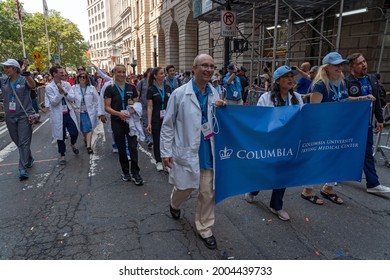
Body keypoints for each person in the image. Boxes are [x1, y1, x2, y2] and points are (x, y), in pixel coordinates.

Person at [160, 54, 225, 250]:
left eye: (212, 66)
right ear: (194, 68)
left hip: (207, 151)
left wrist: (223, 109)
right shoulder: (179, 94)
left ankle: (205, 228)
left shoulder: (216, 94)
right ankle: (174, 204)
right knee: (184, 188)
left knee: (207, 192)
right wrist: (165, 151)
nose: (209, 69)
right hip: (187, 150)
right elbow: (168, 125)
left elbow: (219, 124)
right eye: (204, 65)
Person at [245, 66, 303, 221]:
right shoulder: (266, 98)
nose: (291, 79)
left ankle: (276, 205)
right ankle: (253, 190)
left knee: (282, 174)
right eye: (286, 76)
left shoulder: (297, 98)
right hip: (270, 143)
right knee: (264, 170)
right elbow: (259, 120)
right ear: (277, 81)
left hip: (288, 143)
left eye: (292, 76)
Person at [301, 52, 359, 205]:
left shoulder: (341, 81)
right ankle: (307, 190)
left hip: (338, 129)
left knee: (336, 157)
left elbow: (344, 100)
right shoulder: (320, 85)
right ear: (326, 68)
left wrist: (360, 99)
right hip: (323, 130)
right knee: (317, 159)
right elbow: (314, 111)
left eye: (341, 64)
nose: (340, 67)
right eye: (336, 65)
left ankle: (328, 187)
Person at [345, 53, 390, 193]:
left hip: (367, 125)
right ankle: (334, 174)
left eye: (364, 61)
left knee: (367, 153)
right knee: (343, 150)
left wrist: (380, 120)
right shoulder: (347, 82)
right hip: (350, 126)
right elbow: (343, 102)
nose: (364, 65)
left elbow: (376, 101)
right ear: (352, 67)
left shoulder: (371, 79)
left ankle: (373, 183)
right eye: (359, 63)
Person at [103, 64, 143, 185]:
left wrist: (134, 110)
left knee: (133, 147)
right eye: (118, 72)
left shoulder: (131, 87)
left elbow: (137, 104)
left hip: (130, 121)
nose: (121, 74)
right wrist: (119, 114)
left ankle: (136, 173)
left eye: (123, 72)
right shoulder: (109, 88)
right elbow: (107, 107)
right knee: (121, 148)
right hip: (117, 121)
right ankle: (126, 172)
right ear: (114, 73)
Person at [0, 58, 36, 180]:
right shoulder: (4, 81)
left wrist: (27, 75)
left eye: (8, 67)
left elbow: (33, 86)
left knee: (24, 142)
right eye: (4, 68)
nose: (5, 70)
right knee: (18, 142)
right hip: (10, 117)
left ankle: (22, 168)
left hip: (24, 116)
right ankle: (29, 157)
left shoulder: (23, 79)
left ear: (15, 68)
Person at [45, 65, 79, 165]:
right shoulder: (49, 87)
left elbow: (72, 98)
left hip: (68, 113)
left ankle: (73, 144)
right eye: (60, 72)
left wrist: (64, 91)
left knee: (74, 132)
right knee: (60, 136)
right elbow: (54, 102)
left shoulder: (67, 84)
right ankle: (62, 155)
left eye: (63, 72)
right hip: (57, 114)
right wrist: (60, 92)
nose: (63, 74)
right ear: (54, 74)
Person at [147, 67, 172, 171]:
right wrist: (149, 123)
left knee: (168, 140)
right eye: (161, 73)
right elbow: (149, 107)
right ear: (155, 76)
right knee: (157, 140)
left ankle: (168, 161)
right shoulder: (151, 89)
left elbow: (171, 104)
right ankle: (158, 161)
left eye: (164, 73)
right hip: (156, 119)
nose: (164, 75)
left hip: (167, 118)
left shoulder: (168, 88)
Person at [71, 72, 100, 154]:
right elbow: (71, 98)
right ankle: (85, 139)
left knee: (89, 128)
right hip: (79, 112)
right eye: (80, 77)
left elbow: (96, 100)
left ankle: (88, 146)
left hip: (89, 112)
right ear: (78, 78)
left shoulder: (91, 88)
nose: (82, 78)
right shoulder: (74, 88)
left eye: (84, 77)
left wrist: (97, 110)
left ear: (87, 79)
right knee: (83, 129)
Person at [136, 68, 153, 149]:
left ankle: (153, 138)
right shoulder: (142, 82)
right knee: (146, 123)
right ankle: (149, 139)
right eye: (150, 73)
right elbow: (137, 93)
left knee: (153, 123)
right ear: (147, 73)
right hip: (144, 106)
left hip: (154, 106)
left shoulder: (155, 82)